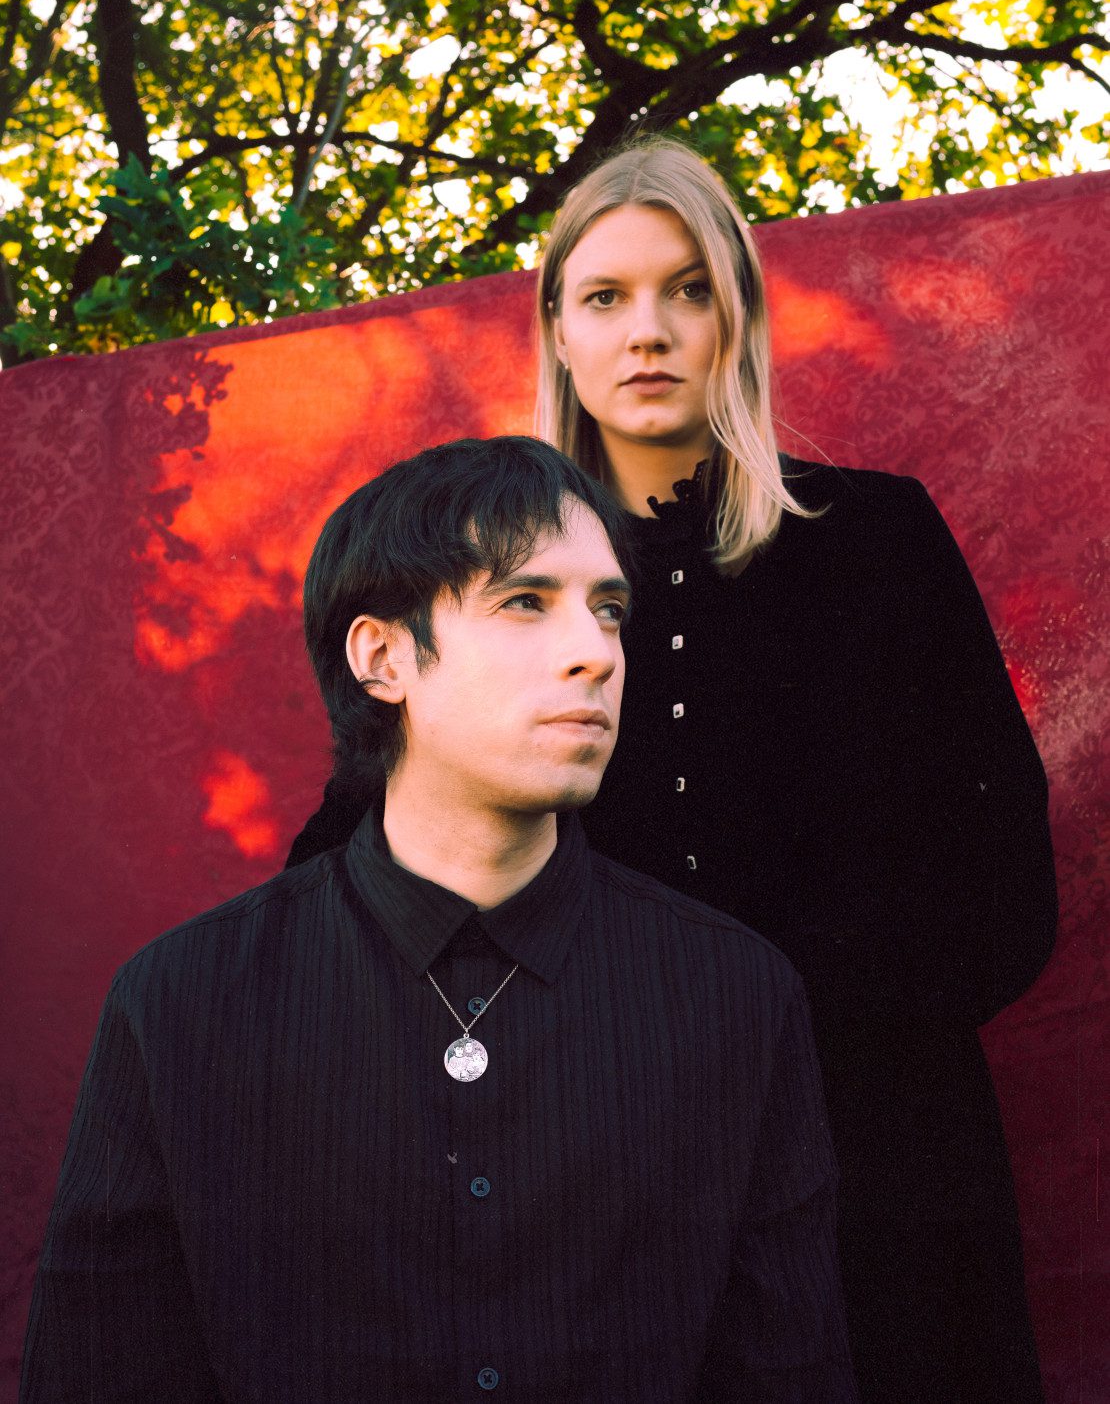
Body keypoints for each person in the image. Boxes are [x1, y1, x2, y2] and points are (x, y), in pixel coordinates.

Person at [289, 140, 1058, 1404]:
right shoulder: (486, 588)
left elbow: (1004, 883)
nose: (648, 330)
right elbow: (348, 873)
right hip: (592, 1188)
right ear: (559, 329)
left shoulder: (879, 538)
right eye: (606, 295)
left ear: (737, 316)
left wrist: (793, 1035)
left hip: (884, 1176)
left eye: (689, 289)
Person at [21, 436, 858, 1403]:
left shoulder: (735, 996)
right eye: (524, 601)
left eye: (609, 609)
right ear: (382, 657)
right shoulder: (181, 1005)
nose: (597, 653)